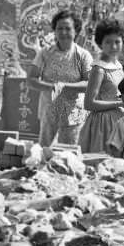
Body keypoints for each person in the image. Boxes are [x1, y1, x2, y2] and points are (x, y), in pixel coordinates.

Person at [28, 9, 92, 146]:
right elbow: (31, 80)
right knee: (44, 154)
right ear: (54, 31)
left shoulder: (83, 55)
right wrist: (53, 87)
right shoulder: (44, 53)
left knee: (69, 156)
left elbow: (90, 84)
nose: (63, 32)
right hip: (49, 112)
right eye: (59, 28)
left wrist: (64, 87)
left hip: (74, 114)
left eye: (68, 28)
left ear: (76, 31)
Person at [79, 19, 124, 154]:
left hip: (119, 120)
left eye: (117, 42)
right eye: (108, 42)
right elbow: (89, 103)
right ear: (100, 44)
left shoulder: (118, 66)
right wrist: (120, 103)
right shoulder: (99, 69)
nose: (114, 46)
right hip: (103, 124)